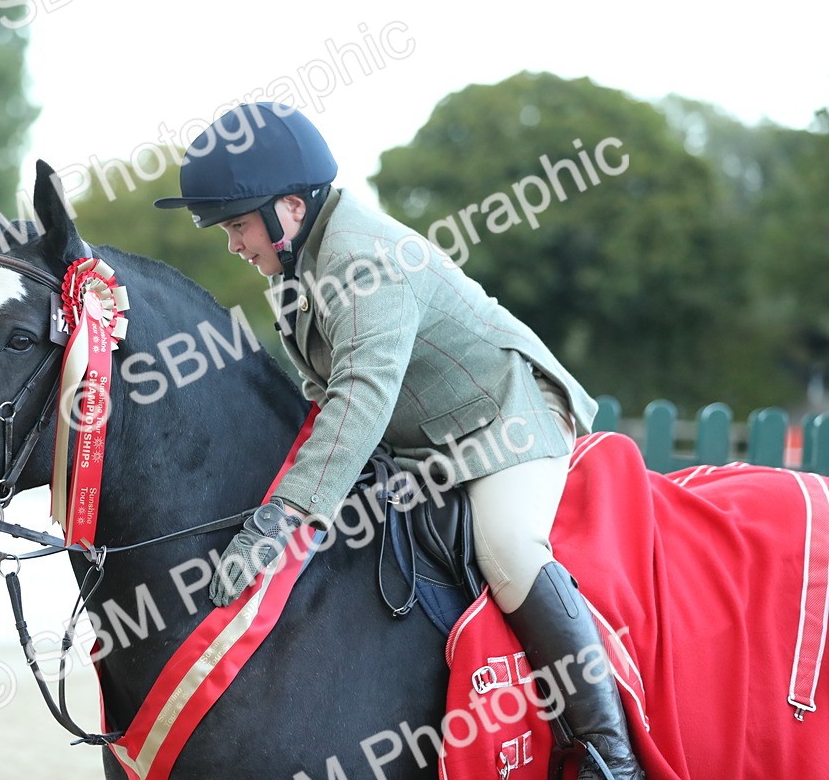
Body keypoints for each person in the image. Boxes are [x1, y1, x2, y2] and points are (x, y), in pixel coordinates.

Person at [154, 101, 644, 780]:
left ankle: (609, 753)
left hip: (507, 421)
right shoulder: (296, 269)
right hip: (424, 442)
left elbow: (359, 398)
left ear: (290, 208)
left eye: (237, 226)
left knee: (507, 548)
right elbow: (321, 398)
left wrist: (283, 518)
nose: (235, 244)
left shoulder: (361, 261)